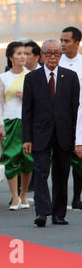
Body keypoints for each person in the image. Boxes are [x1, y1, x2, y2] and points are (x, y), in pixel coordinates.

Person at [23, 40, 79, 227]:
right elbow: (27, 111)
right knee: (40, 173)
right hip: (40, 133)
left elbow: (75, 110)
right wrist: (27, 138)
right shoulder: (32, 78)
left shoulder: (71, 77)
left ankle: (58, 214)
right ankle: (41, 212)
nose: (53, 56)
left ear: (61, 56)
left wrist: (77, 138)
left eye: (56, 53)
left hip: (64, 134)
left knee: (61, 175)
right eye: (49, 53)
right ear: (41, 56)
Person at [0, 41, 33, 210]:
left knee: (28, 159)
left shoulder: (32, 75)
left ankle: (24, 194)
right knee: (10, 158)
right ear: (10, 57)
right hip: (9, 121)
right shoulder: (2, 78)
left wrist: (28, 98)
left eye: (25, 53)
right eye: (19, 53)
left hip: (28, 121)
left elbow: (41, 102)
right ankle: (15, 197)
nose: (23, 56)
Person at [59, 27, 82, 210]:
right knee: (62, 159)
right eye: (62, 40)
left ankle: (77, 197)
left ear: (77, 42)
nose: (63, 44)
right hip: (61, 116)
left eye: (67, 41)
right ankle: (61, 198)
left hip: (80, 114)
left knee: (79, 159)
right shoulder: (56, 61)